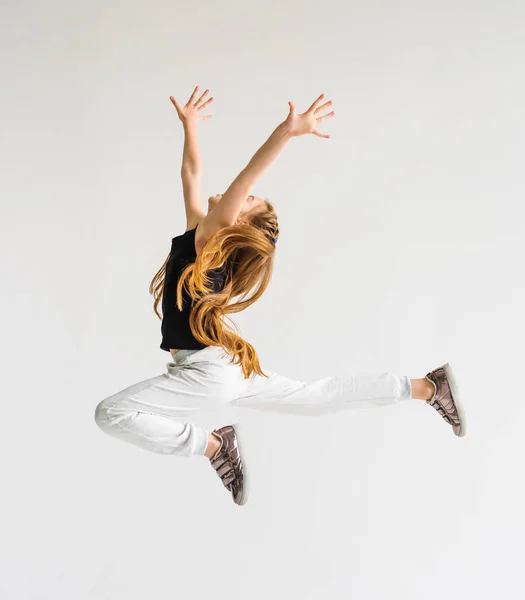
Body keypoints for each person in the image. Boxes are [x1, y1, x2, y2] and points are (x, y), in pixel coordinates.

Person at [94, 86, 467, 507]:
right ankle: (425, 387)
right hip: (220, 366)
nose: (240, 195)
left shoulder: (213, 234)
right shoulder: (200, 236)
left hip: (206, 371)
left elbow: (247, 175)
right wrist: (191, 127)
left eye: (246, 202)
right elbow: (191, 174)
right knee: (317, 396)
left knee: (110, 414)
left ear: (237, 221)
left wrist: (287, 131)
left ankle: (214, 446)